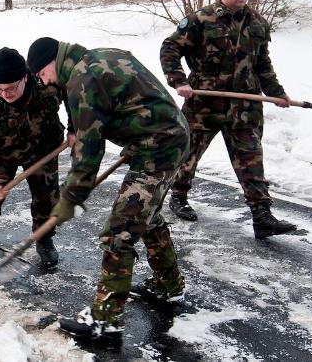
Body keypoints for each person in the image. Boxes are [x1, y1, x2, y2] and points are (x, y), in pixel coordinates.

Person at [26, 37, 190, 340]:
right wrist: (79, 129)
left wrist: (71, 197)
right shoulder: (96, 58)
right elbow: (123, 101)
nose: (42, 80)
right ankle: (169, 287)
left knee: (119, 231)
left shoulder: (81, 80)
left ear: (52, 62)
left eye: (41, 74)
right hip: (162, 137)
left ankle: (106, 320)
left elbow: (90, 152)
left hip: (158, 149)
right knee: (146, 216)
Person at [159, 0, 297, 239]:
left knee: (251, 158)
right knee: (188, 156)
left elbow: (263, 65)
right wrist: (179, 81)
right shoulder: (200, 20)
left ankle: (262, 215)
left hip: (244, 105)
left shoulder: (256, 22)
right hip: (204, 104)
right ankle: (179, 196)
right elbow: (170, 48)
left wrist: (276, 93)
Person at [0, 47, 65, 273]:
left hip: (42, 147)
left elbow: (74, 95)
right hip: (1, 152)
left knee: (47, 197)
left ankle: (44, 238)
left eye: (10, 88)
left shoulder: (46, 84)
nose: (5, 94)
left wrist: (77, 127)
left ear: (25, 77)